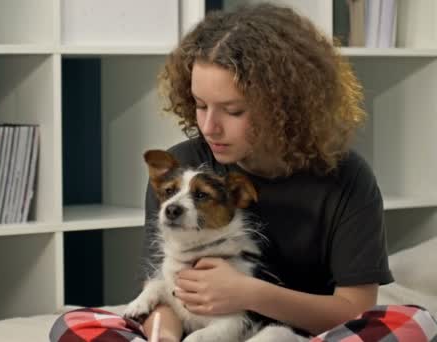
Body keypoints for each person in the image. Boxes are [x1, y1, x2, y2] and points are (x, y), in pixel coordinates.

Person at [138, 3, 394, 341]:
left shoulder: (348, 178)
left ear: (284, 107)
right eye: (200, 105)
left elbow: (356, 311)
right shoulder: (180, 169)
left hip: (308, 336)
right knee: (75, 325)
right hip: (202, 333)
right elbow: (161, 298)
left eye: (233, 110)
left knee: (413, 324)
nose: (209, 126)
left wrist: (249, 293)